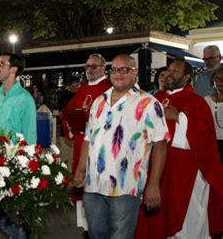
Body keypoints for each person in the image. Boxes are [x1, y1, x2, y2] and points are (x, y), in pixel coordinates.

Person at [74, 54, 169, 239]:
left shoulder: (149, 103)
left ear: (135, 72)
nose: (118, 74)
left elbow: (160, 145)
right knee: (95, 234)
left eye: (124, 69)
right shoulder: (99, 101)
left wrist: (154, 184)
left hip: (126, 186)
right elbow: (88, 138)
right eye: (115, 69)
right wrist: (80, 169)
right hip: (93, 184)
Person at [136, 58, 223, 238]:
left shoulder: (197, 102)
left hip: (186, 168)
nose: (169, 74)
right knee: (157, 216)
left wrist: (180, 117)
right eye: (168, 70)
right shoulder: (155, 99)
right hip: (156, 166)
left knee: (189, 219)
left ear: (186, 78)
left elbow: (205, 136)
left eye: (175, 71)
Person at [62, 54, 112, 235]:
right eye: (88, 66)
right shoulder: (83, 89)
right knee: (81, 183)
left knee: (97, 186)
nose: (90, 70)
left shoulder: (109, 88)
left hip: (99, 147)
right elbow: (68, 111)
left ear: (103, 68)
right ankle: (86, 228)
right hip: (81, 144)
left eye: (94, 66)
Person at [0, 53, 37, 145]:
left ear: (14, 69)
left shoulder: (25, 98)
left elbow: (30, 133)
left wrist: (27, 156)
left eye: (1, 64)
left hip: (17, 155)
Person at [205, 66, 223, 162]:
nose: (220, 81)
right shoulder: (207, 100)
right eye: (217, 78)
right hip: (212, 143)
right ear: (213, 82)